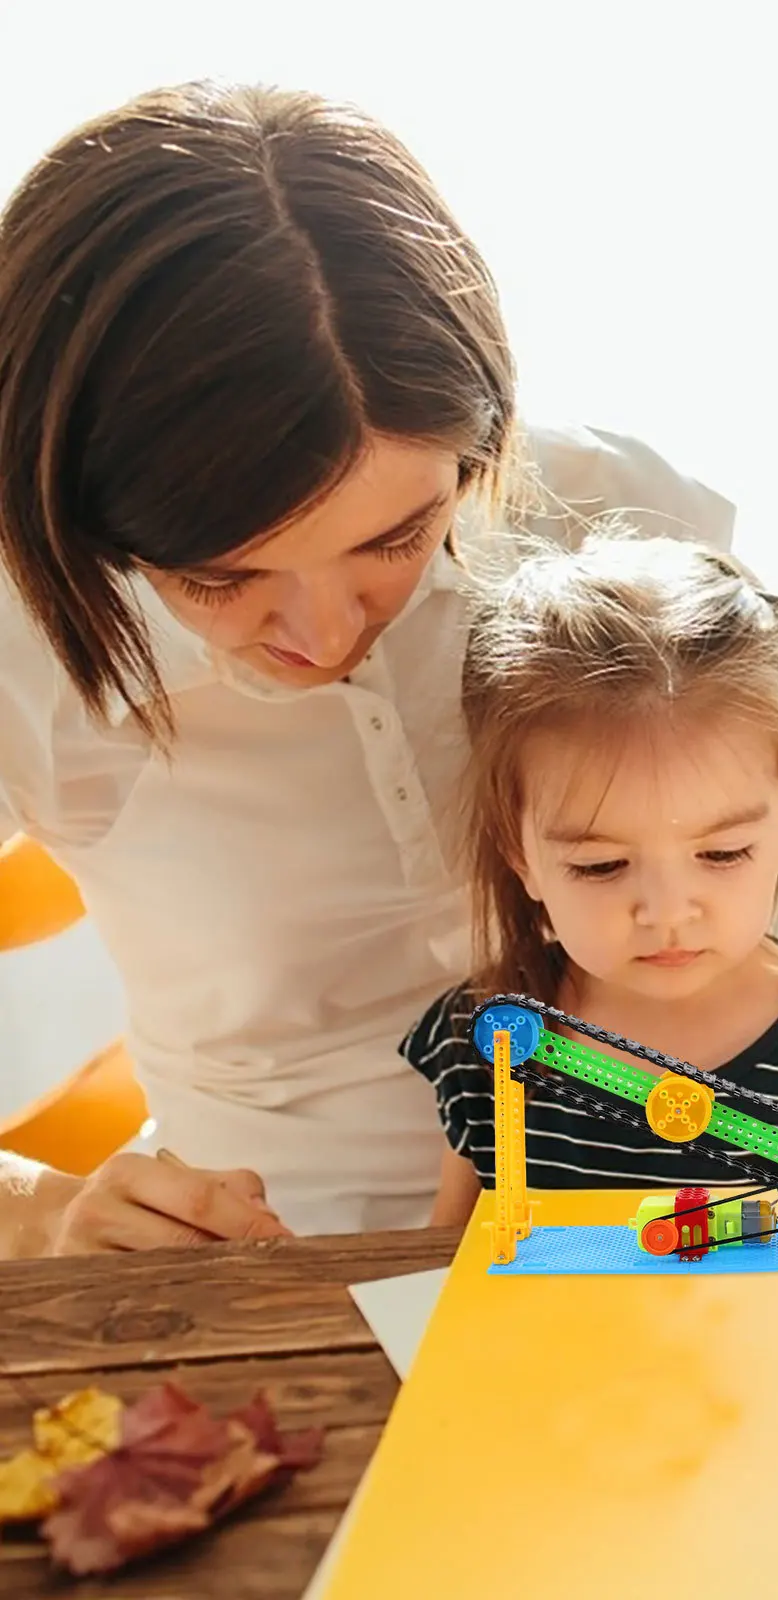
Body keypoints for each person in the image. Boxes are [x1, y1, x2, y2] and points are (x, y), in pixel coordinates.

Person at [0, 81, 733, 1255]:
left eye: (394, 540)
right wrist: (39, 1211)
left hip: (648, 1240)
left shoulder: (613, 523)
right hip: (269, 1277)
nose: (325, 631)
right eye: (224, 579)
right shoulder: (24, 635)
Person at [402, 532, 778, 1217]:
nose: (667, 912)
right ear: (518, 853)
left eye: (721, 854)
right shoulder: (483, 1038)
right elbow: (448, 1265)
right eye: (602, 865)